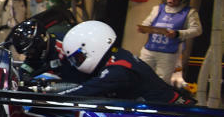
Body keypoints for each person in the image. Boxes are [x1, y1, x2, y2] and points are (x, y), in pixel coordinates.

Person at [59, 20, 193, 104]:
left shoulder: (117, 71)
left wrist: (50, 97)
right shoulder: (118, 55)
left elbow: (85, 91)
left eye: (79, 57)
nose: (77, 63)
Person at [137, 0, 202, 83]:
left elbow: (197, 30)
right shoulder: (157, 9)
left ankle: (156, 98)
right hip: (149, 49)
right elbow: (147, 22)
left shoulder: (189, 12)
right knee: (140, 75)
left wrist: (178, 33)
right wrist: (143, 28)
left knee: (161, 81)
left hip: (169, 53)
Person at [5, 17, 86, 86]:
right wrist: (23, 76)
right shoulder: (36, 52)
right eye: (27, 53)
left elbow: (78, 79)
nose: (29, 55)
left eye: (30, 51)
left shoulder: (65, 47)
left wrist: (46, 81)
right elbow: (28, 66)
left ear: (39, 42)